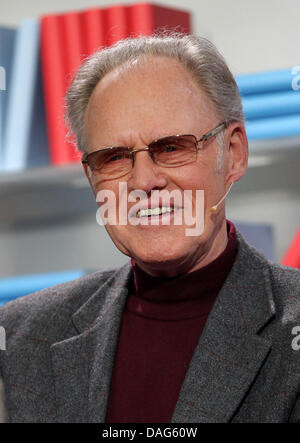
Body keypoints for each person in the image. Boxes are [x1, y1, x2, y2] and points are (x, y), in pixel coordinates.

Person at [1, 32, 300, 423]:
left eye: (171, 148)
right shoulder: (19, 337)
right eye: (114, 158)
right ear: (92, 178)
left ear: (234, 154)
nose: (143, 182)